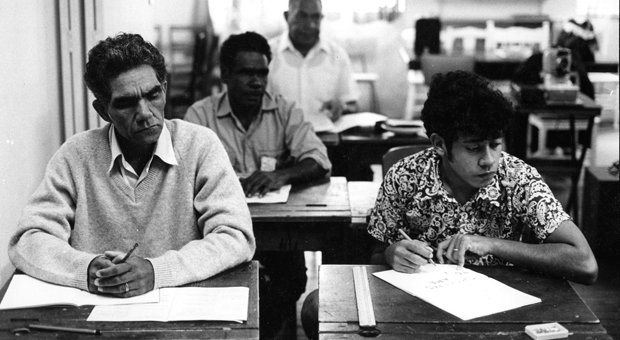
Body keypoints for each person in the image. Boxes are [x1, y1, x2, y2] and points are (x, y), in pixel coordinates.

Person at [301, 71, 598, 340]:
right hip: (419, 304)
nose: (489, 160)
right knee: (317, 305)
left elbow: (585, 264)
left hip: (500, 309)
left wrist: (490, 244)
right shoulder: (405, 176)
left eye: (495, 144)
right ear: (439, 144)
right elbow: (377, 250)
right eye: (473, 148)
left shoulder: (518, 178)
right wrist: (392, 253)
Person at [8, 33, 255, 298]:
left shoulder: (199, 146)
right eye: (126, 103)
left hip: (181, 314)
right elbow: (29, 238)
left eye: (153, 95)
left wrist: (156, 271)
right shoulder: (76, 155)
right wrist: (85, 269)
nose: (145, 113)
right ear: (103, 111)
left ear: (164, 88)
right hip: (95, 315)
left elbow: (235, 236)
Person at [184, 31, 331, 339]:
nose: (257, 82)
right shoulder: (200, 115)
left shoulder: (284, 110)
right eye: (246, 73)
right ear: (225, 74)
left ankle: (271, 329)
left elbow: (318, 160)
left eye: (262, 73)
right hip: (221, 231)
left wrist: (281, 175)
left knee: (288, 283)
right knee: (229, 288)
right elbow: (185, 176)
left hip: (278, 230)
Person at [268, 0, 359, 130]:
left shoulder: (337, 55)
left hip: (326, 142)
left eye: (315, 17)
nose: (310, 25)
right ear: (287, 16)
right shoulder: (268, 54)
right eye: (302, 16)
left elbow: (353, 105)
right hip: (278, 143)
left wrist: (341, 106)